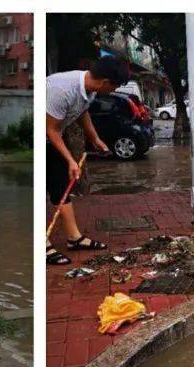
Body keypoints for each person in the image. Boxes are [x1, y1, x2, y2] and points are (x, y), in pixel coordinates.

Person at [45, 56, 130, 266]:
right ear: (105, 82)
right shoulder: (61, 90)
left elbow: (82, 113)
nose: (114, 90)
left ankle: (74, 238)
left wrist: (95, 139)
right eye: (115, 86)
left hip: (54, 135)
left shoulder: (90, 90)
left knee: (61, 186)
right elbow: (50, 129)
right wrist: (71, 160)